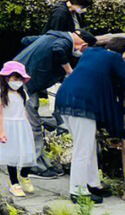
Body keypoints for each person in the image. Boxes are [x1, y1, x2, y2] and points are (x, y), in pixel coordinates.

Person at [53, 43, 125, 205]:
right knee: (83, 149)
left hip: (64, 98)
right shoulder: (114, 58)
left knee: (88, 145)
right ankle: (78, 190)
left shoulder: (91, 53)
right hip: (82, 104)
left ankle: (93, 183)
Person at [13, 28, 89, 175]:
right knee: (33, 126)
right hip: (25, 84)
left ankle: (40, 162)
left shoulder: (52, 36)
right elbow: (58, 49)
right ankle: (33, 166)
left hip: (24, 81)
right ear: (84, 45)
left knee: (33, 124)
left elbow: (26, 40)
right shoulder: (65, 42)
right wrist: (69, 71)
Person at [0, 61, 37, 198]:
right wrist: (1, 132)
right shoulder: (0, 94)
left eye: (20, 79)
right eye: (14, 78)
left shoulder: (22, 93)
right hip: (8, 126)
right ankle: (14, 183)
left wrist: (28, 125)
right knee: (11, 156)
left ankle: (25, 175)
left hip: (22, 125)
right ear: (6, 78)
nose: (17, 81)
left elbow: (24, 110)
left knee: (28, 152)